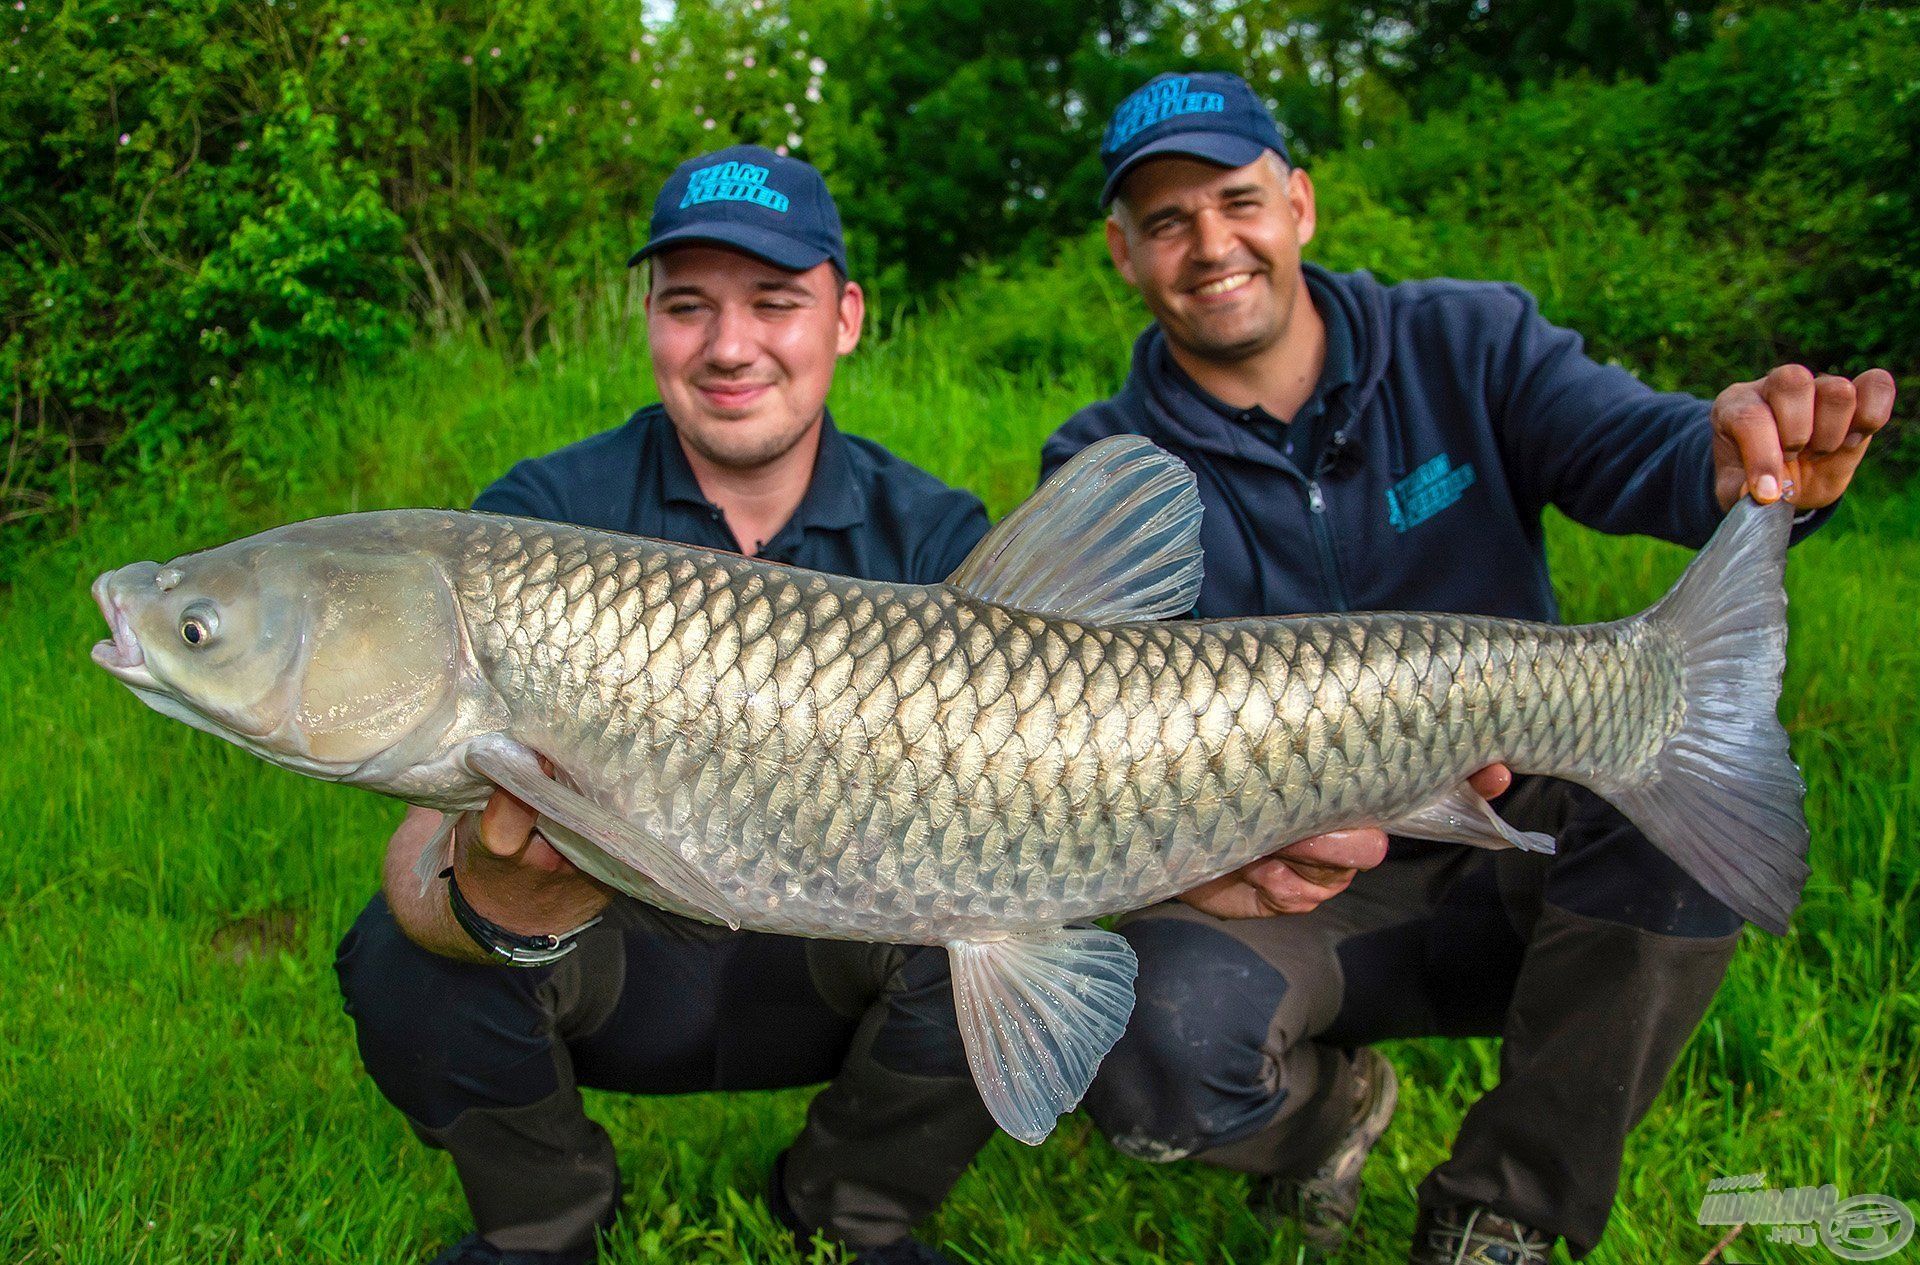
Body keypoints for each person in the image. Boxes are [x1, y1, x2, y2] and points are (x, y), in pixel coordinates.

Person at [1044, 71, 1895, 1264]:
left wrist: (1737, 464)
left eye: (1235, 199)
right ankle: (1328, 1119)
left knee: (1659, 815)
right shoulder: (1103, 463)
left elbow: (1636, 445)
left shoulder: (1465, 341)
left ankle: (1506, 1208)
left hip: (1523, 831)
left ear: (1299, 203)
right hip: (1300, 877)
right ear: (1123, 253)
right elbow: (1102, 745)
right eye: (1167, 221)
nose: (1211, 243)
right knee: (1142, 1040)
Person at [332, 145, 1000, 1265]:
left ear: (845, 316)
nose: (729, 347)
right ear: (648, 317)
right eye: (688, 305)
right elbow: (420, 842)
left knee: (1019, 913)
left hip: (837, 955)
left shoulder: (932, 536)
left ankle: (853, 1208)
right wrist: (490, 899)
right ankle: (542, 1224)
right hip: (619, 950)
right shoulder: (542, 520)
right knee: (404, 953)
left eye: (775, 303)